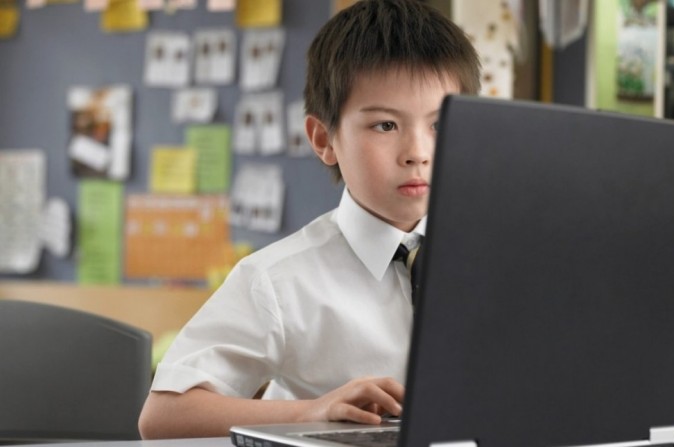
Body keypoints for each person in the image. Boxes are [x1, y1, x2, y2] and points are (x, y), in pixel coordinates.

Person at [138, 0, 480, 439]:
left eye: (439, 124)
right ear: (324, 139)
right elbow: (163, 418)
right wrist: (312, 412)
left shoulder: (499, 259)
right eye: (385, 126)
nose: (418, 151)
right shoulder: (277, 280)